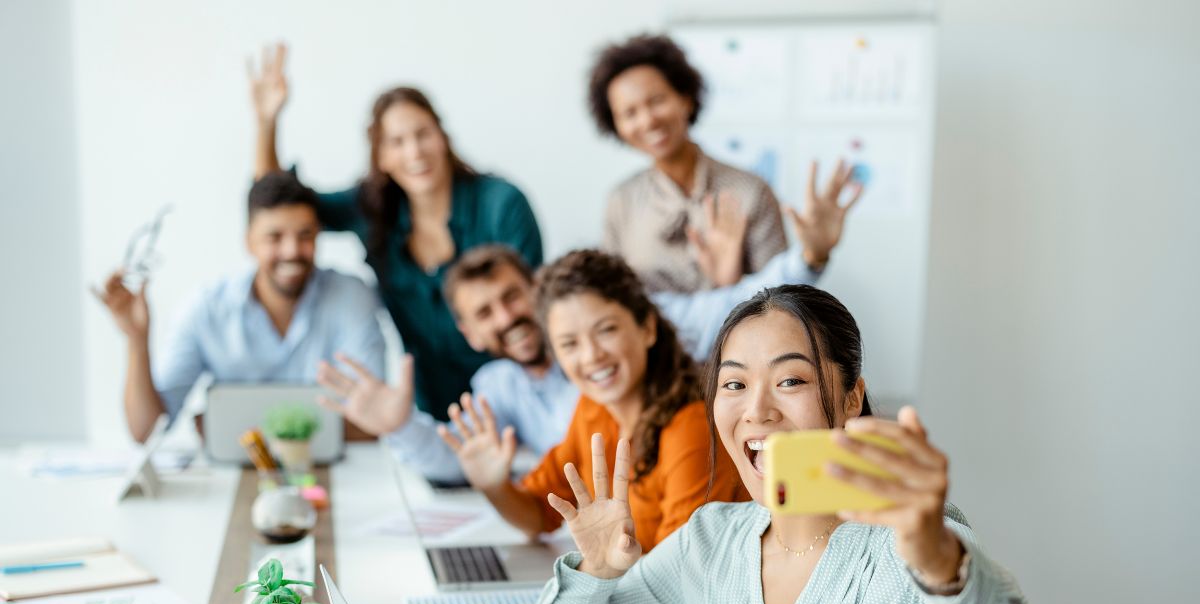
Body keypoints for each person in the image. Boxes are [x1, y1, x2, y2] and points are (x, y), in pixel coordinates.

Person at [529, 284, 1034, 604]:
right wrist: (597, 571)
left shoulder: (911, 534)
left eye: (791, 379)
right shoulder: (710, 545)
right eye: (734, 385)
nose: (758, 410)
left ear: (851, 398)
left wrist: (937, 556)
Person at [317, 209, 823, 485]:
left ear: (538, 292)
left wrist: (811, 253)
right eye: (484, 314)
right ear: (470, 336)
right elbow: (462, 457)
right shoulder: (501, 386)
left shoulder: (634, 327)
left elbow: (739, 304)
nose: (508, 317)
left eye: (513, 296)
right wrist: (398, 426)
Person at [248, 43, 543, 421]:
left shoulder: (502, 204)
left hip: (516, 403)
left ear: (443, 137)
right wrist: (266, 124)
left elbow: (533, 309)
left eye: (423, 134)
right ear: (381, 157)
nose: (414, 152)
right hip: (432, 413)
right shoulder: (372, 212)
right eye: (397, 142)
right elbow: (277, 208)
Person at [436, 250, 749, 550]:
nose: (591, 356)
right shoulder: (592, 408)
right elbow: (538, 513)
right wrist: (495, 488)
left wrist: (598, 570)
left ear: (647, 328)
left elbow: (677, 576)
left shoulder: (692, 426)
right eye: (569, 344)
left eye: (606, 330)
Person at [93, 171, 386, 443]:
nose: (292, 251)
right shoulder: (206, 308)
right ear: (249, 242)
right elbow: (146, 431)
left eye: (305, 235)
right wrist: (136, 340)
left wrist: (230, 426)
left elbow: (375, 421)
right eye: (275, 237)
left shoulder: (351, 296)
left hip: (339, 477)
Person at [590, 33, 862, 292]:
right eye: (629, 113)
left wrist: (812, 256)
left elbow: (783, 303)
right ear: (616, 126)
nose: (647, 120)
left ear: (685, 98)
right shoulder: (621, 202)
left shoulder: (750, 191)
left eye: (657, 100)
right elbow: (614, 301)